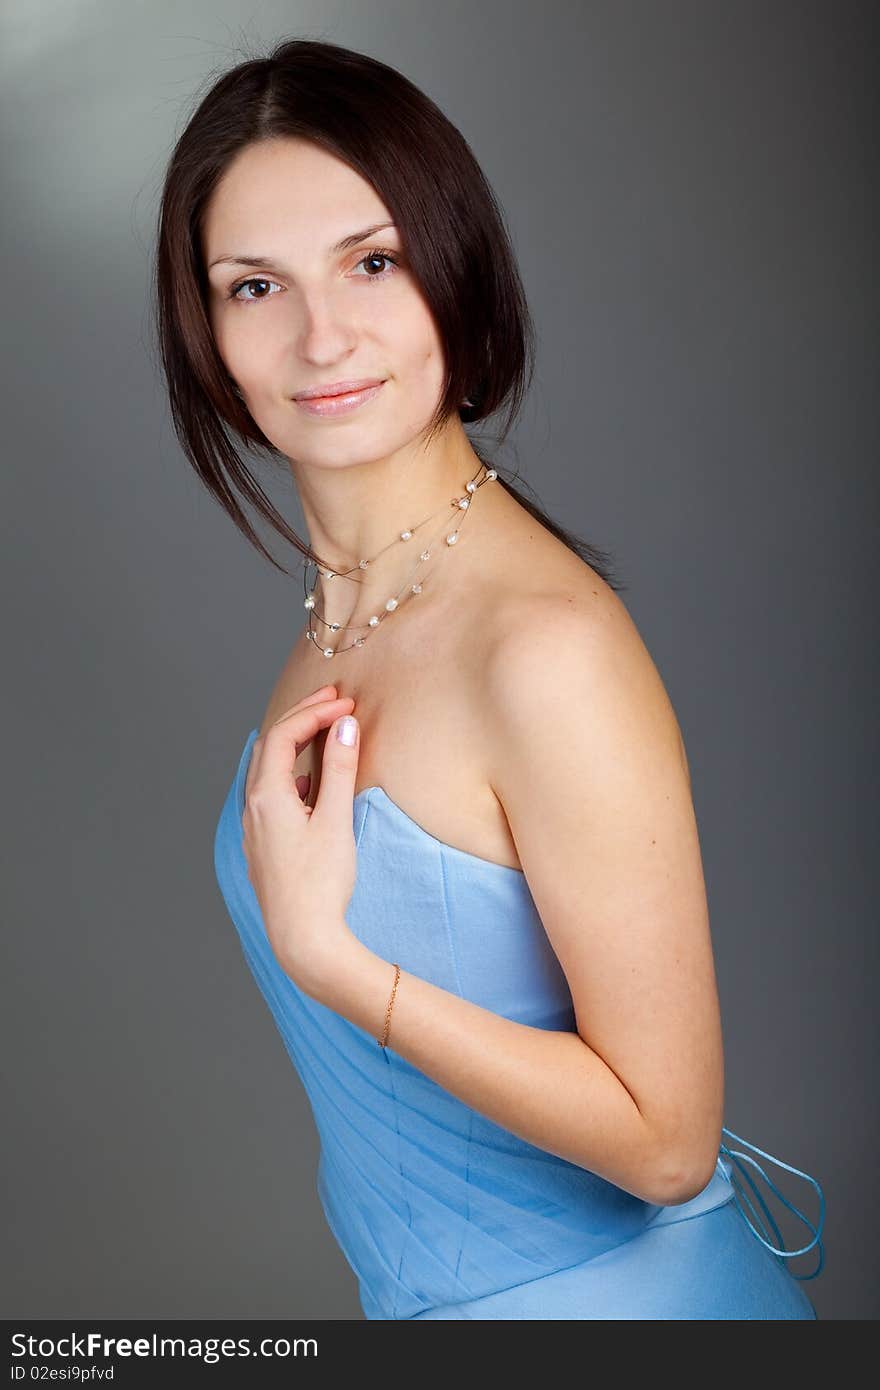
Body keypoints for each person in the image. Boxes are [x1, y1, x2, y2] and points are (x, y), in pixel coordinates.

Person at [155, 37, 825, 1319]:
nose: (321, 335)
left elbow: (669, 1137)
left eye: (373, 261)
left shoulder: (545, 647)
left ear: (453, 269)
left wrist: (332, 958)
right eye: (253, 286)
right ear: (209, 336)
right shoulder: (342, 607)